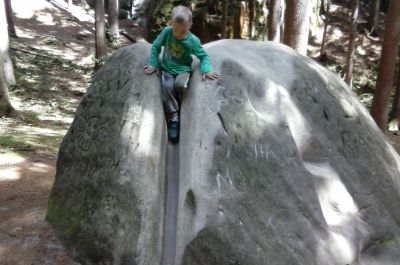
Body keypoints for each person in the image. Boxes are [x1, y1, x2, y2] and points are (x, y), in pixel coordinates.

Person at [144, 5, 219, 143]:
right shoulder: (167, 32)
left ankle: (179, 103)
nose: (178, 34)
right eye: (176, 29)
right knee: (167, 86)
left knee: (179, 85)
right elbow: (155, 46)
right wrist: (154, 64)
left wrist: (206, 70)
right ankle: (173, 117)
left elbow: (204, 56)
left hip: (183, 69)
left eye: (183, 30)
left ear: (190, 25)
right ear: (171, 23)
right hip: (167, 68)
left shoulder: (193, 41)